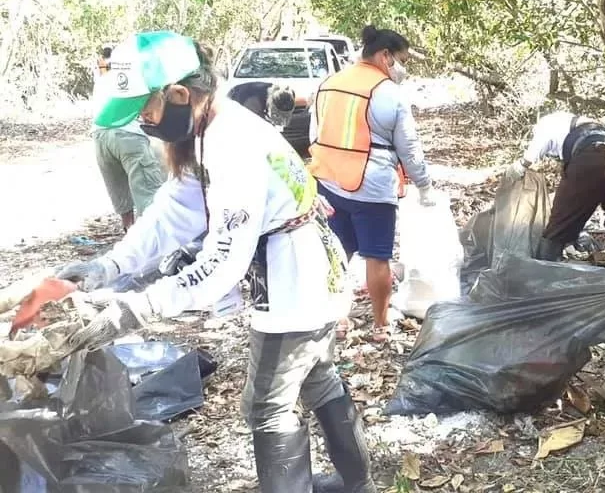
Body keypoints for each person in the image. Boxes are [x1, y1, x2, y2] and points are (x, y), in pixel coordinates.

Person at [55, 30, 375, 493]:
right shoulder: (210, 128)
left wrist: (134, 309)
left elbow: (221, 262)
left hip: (297, 278)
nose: (144, 122)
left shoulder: (231, 145)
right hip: (303, 267)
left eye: (146, 110)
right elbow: (174, 208)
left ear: (181, 94)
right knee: (318, 376)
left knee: (267, 406)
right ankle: (357, 482)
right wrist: (111, 266)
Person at [309, 25, 436, 344]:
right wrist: (424, 185)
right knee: (377, 257)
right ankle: (380, 326)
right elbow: (409, 148)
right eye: (401, 59)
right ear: (385, 55)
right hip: (372, 186)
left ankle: (338, 320)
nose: (402, 67)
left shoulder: (328, 83)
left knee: (336, 253)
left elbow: (316, 133)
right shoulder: (389, 93)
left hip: (328, 181)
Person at [506, 111, 605, 264]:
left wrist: (521, 166)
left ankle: (544, 271)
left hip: (593, 156)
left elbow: (537, 147)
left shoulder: (546, 123)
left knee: (560, 222)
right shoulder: (580, 123)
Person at [91, 44, 165, 231]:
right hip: (128, 133)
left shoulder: (102, 74)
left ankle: (129, 231)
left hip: (100, 135)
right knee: (147, 191)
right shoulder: (132, 72)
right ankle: (149, 237)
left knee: (118, 189)